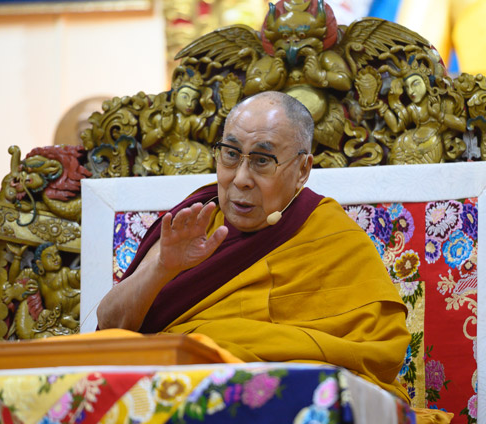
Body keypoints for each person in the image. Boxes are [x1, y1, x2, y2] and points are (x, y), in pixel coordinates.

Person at [96, 91, 411, 401]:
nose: (241, 179)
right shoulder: (194, 223)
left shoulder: (332, 237)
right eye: (231, 155)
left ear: (302, 170)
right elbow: (110, 328)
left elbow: (380, 353)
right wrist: (161, 268)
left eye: (262, 160)